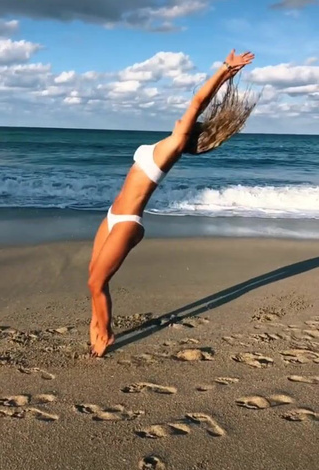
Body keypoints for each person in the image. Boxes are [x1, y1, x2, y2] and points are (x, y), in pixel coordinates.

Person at [88, 49, 256, 357]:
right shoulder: (167, 142)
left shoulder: (176, 143)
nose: (183, 118)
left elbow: (197, 102)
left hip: (127, 223)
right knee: (92, 276)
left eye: (188, 121)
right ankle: (97, 324)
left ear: (188, 132)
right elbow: (194, 108)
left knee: (96, 283)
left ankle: (105, 333)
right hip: (114, 214)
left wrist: (223, 70)